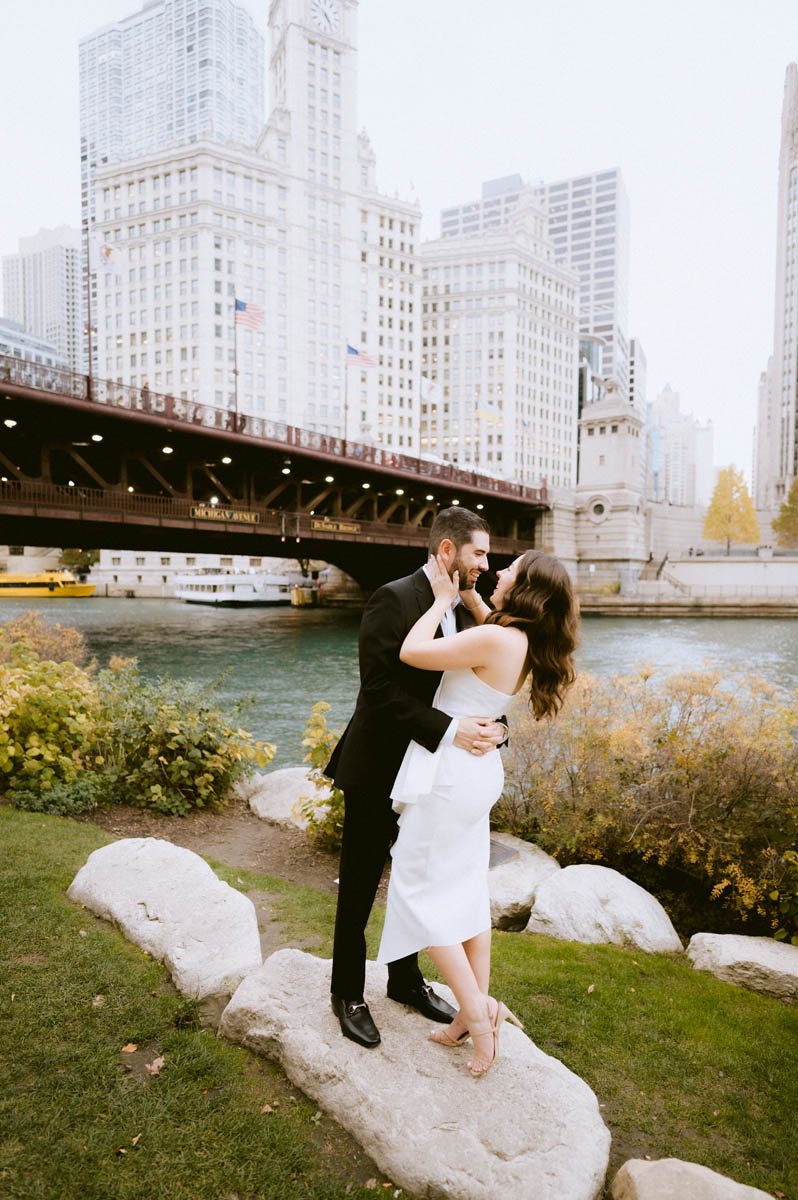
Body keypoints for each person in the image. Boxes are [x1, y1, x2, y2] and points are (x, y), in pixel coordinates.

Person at [376, 547, 578, 1076]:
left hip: (448, 776)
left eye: (509, 570)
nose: (498, 571)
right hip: (476, 775)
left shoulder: (493, 637)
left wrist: (443, 597)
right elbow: (488, 625)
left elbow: (412, 651)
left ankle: (480, 1019)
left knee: (416, 889)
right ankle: (474, 1013)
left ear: (527, 587)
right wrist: (467, 596)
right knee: (465, 889)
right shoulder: (523, 641)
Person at [325, 508, 509, 1048]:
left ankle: (404, 981)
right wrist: (453, 732)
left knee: (414, 882)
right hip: (379, 766)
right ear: (447, 551)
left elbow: (476, 687)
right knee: (359, 885)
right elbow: (379, 690)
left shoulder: (469, 613)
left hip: (432, 776)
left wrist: (495, 729)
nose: (485, 564)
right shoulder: (393, 598)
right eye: (478, 553)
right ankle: (347, 994)